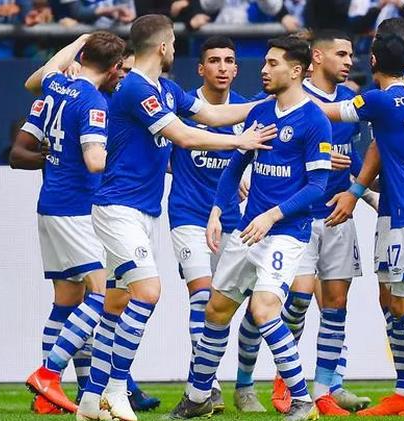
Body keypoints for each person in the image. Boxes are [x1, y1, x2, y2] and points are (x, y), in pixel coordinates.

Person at [76, 14, 276, 421]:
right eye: (173, 44)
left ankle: (90, 400)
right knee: (148, 292)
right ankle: (115, 391)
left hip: (143, 211)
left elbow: (212, 115)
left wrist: (269, 104)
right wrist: (240, 141)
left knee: (116, 303)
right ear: (164, 47)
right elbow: (183, 135)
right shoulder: (136, 88)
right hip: (118, 209)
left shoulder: (165, 89)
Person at [169, 35, 331, 421]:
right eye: (265, 63)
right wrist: (215, 212)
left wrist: (272, 215)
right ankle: (198, 396)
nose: (264, 70)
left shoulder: (315, 121)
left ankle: (302, 401)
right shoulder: (260, 113)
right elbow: (235, 168)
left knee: (263, 308)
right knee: (216, 309)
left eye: (273, 63)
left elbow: (317, 187)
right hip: (247, 229)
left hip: (286, 234)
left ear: (296, 71)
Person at [312, 32, 404, 416]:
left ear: (374, 62)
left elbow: (328, 111)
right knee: (402, 299)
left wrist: (284, 96)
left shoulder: (379, 100)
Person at [231, 29, 373, 417]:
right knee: (293, 301)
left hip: (338, 216)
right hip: (297, 220)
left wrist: (360, 191)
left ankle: (327, 389)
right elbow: (252, 139)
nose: (349, 61)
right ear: (317, 58)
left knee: (337, 304)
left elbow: (357, 160)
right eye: (342, 54)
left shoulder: (350, 103)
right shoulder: (286, 98)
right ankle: (276, 380)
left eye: (351, 55)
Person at [19, 31, 126, 415]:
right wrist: (127, 159)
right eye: (120, 70)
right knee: (102, 293)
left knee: (67, 301)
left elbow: (38, 76)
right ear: (114, 68)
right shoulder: (93, 102)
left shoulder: (57, 84)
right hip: (76, 209)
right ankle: (48, 373)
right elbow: (95, 161)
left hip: (50, 203)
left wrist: (81, 39)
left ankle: (47, 400)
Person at [167, 35, 247, 413]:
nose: (222, 67)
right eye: (214, 61)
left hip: (232, 220)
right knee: (201, 297)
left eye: (228, 61)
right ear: (201, 68)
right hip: (188, 216)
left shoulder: (244, 111)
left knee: (222, 305)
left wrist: (245, 178)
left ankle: (204, 380)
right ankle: (208, 386)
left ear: (236, 68)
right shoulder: (182, 106)